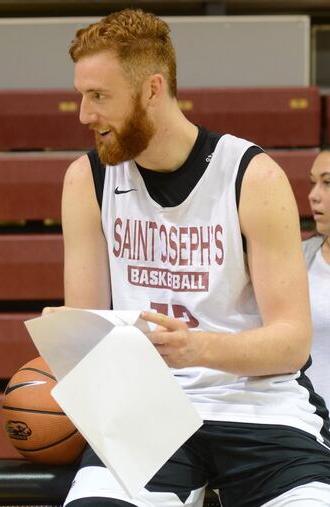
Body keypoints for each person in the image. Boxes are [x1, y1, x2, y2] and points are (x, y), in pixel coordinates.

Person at [47, 9, 330, 507]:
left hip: (259, 405)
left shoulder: (252, 176)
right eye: (82, 96)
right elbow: (91, 332)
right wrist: (69, 340)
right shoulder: (85, 181)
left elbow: (292, 343)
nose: (84, 115)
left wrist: (197, 349)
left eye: (99, 97)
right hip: (146, 409)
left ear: (152, 88)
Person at [305, 151, 330, 404]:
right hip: (309, 428)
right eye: (313, 182)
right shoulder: (299, 257)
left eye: (328, 183)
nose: (313, 195)